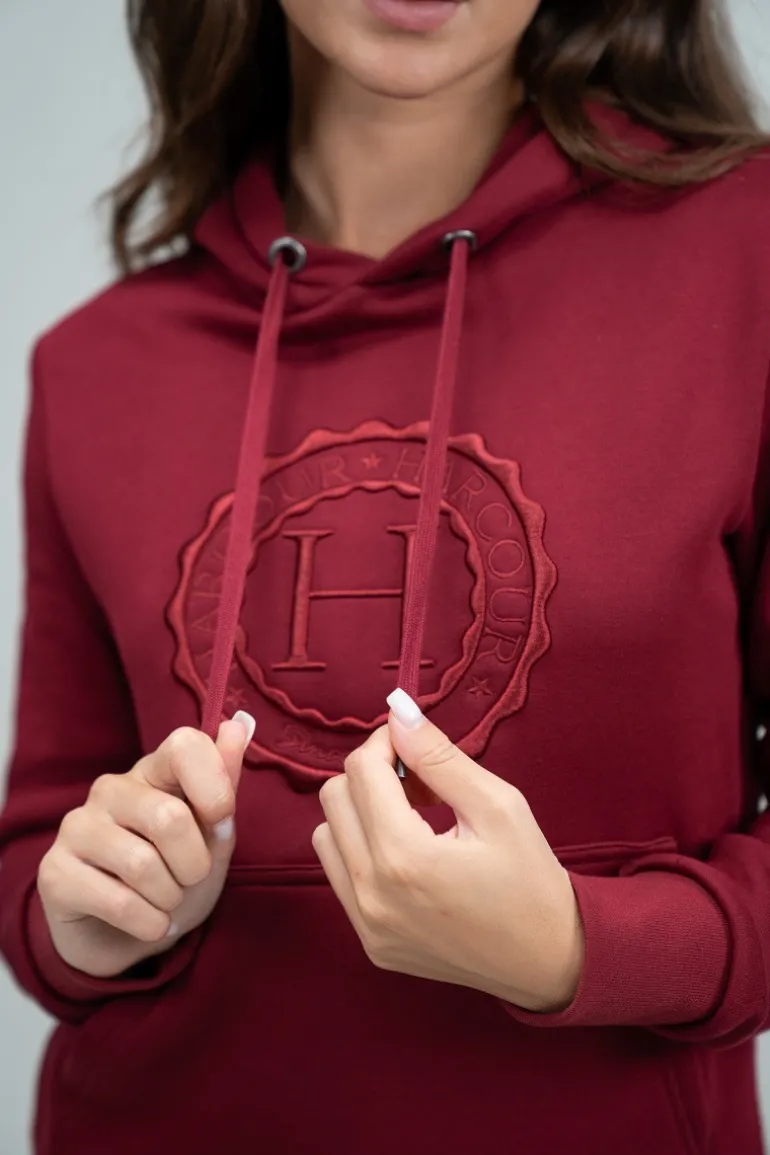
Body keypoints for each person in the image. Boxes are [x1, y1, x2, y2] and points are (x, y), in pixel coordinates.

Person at [1, 0, 769, 1151]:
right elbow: (40, 850)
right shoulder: (96, 363)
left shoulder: (742, 256)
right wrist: (92, 916)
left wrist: (580, 947)